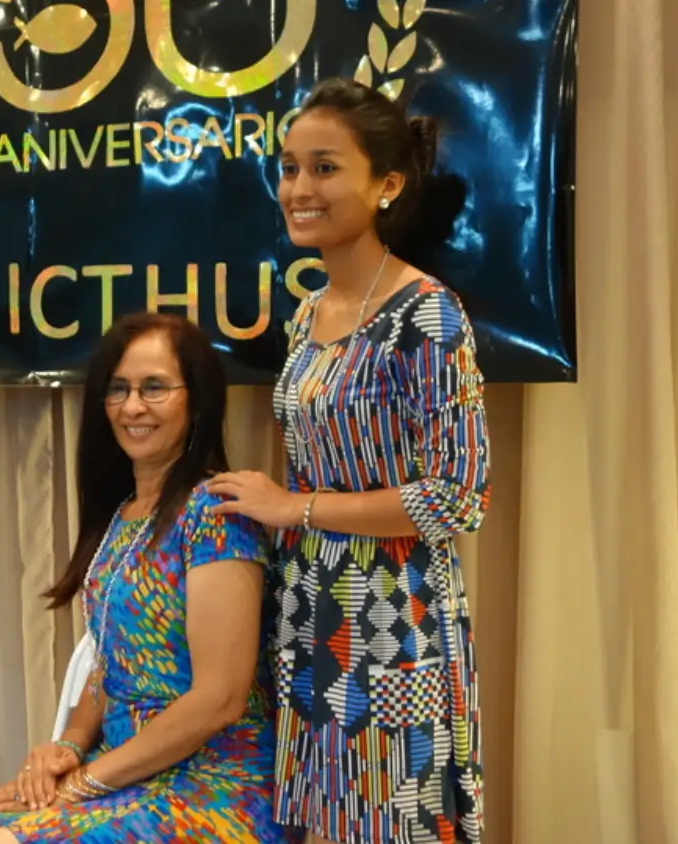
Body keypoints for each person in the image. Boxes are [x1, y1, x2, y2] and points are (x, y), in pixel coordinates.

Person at [206, 77, 491, 844]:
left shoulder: (427, 314)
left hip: (396, 620)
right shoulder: (308, 314)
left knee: (393, 823)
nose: (299, 188)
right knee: (314, 822)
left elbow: (458, 495)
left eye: (325, 168)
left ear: (387, 184)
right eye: (289, 168)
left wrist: (293, 506)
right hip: (309, 613)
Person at [0, 313, 288, 844]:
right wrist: (68, 747)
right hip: (123, 770)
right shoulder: (123, 513)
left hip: (214, 782)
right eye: (118, 389)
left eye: (154, 388)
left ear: (197, 400)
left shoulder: (217, 513)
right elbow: (110, 662)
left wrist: (84, 783)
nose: (132, 407)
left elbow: (220, 699)